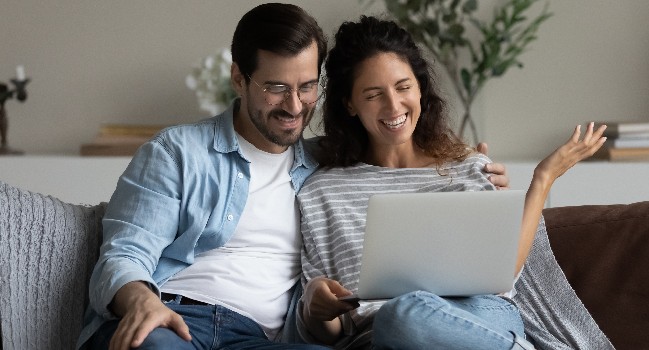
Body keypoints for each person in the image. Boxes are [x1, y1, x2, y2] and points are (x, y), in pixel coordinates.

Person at [77, 4, 509, 350]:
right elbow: (123, 254)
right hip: (172, 319)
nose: (295, 105)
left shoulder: (323, 167)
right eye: (275, 88)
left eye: (306, 86)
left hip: (257, 339)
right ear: (238, 79)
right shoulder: (177, 151)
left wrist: (466, 163)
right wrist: (141, 303)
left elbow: (393, 157)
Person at [295, 16, 607, 349]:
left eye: (403, 87)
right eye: (373, 95)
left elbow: (503, 274)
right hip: (383, 335)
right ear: (349, 104)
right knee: (398, 318)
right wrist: (314, 309)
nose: (394, 105)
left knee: (405, 313)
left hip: (480, 318)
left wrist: (543, 179)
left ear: (420, 88)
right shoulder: (321, 193)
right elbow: (332, 329)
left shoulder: (470, 168)